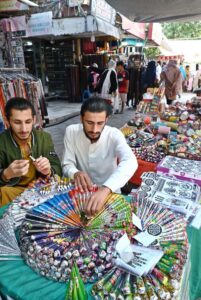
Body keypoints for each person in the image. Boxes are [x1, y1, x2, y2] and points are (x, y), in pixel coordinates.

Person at [62, 96, 138, 216]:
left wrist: (106, 188)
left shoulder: (114, 135)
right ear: (81, 118)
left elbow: (130, 161)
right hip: (82, 196)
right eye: (89, 123)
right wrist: (75, 173)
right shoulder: (71, 132)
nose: (94, 129)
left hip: (110, 194)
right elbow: (67, 164)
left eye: (100, 123)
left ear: (106, 120)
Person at [0, 97, 62, 206]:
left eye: (28, 122)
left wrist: (48, 171)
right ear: (7, 121)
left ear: (34, 119)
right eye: (17, 122)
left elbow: (57, 168)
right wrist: (6, 174)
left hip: (39, 189)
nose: (24, 129)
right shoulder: (1, 142)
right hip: (13, 191)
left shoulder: (44, 138)